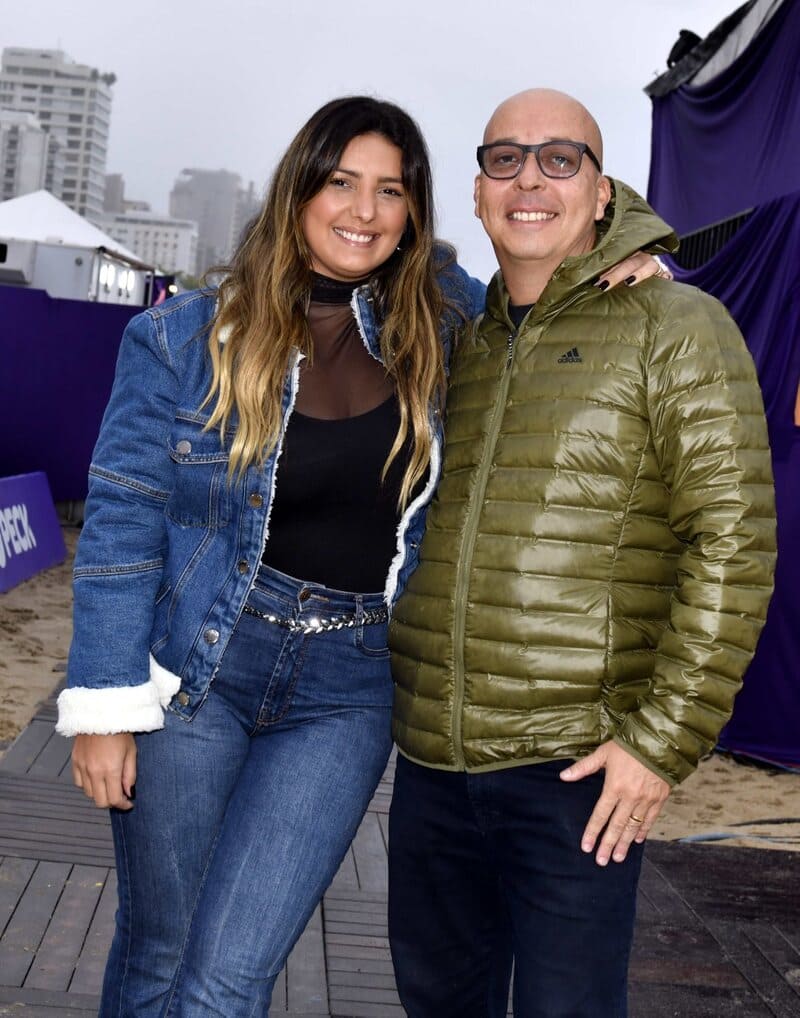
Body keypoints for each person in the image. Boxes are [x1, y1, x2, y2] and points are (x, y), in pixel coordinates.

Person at [58, 94, 662, 1017]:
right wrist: (102, 701)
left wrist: (616, 255)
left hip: (348, 690)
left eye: (390, 191)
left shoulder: (445, 320)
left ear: (415, 210)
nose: (364, 211)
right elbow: (122, 522)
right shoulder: (181, 337)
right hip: (194, 675)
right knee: (160, 954)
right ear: (300, 190)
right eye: (341, 183)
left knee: (229, 975)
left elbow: (543, 274)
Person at [387, 88, 777, 1018]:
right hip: (434, 766)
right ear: (478, 193)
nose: (531, 179)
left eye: (560, 160)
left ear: (603, 194)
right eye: (505, 159)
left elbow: (734, 541)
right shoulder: (456, 338)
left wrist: (658, 746)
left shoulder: (676, 326)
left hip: (576, 772)